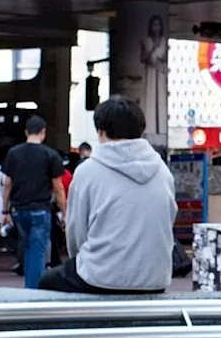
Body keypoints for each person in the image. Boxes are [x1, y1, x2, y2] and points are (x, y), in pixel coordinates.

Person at [39, 95, 176, 294]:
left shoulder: (88, 171)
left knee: (46, 281)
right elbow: (168, 220)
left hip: (101, 276)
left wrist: (82, 259)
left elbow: (76, 232)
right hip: (154, 279)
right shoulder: (162, 171)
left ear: (101, 131)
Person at [1, 116, 66, 289]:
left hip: (18, 211)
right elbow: (58, 187)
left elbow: (7, 184)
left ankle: (30, 285)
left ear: (26, 132)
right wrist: (65, 212)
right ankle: (33, 289)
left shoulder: (13, 153)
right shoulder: (50, 155)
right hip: (40, 210)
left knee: (28, 247)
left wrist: (5, 211)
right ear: (43, 132)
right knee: (37, 251)